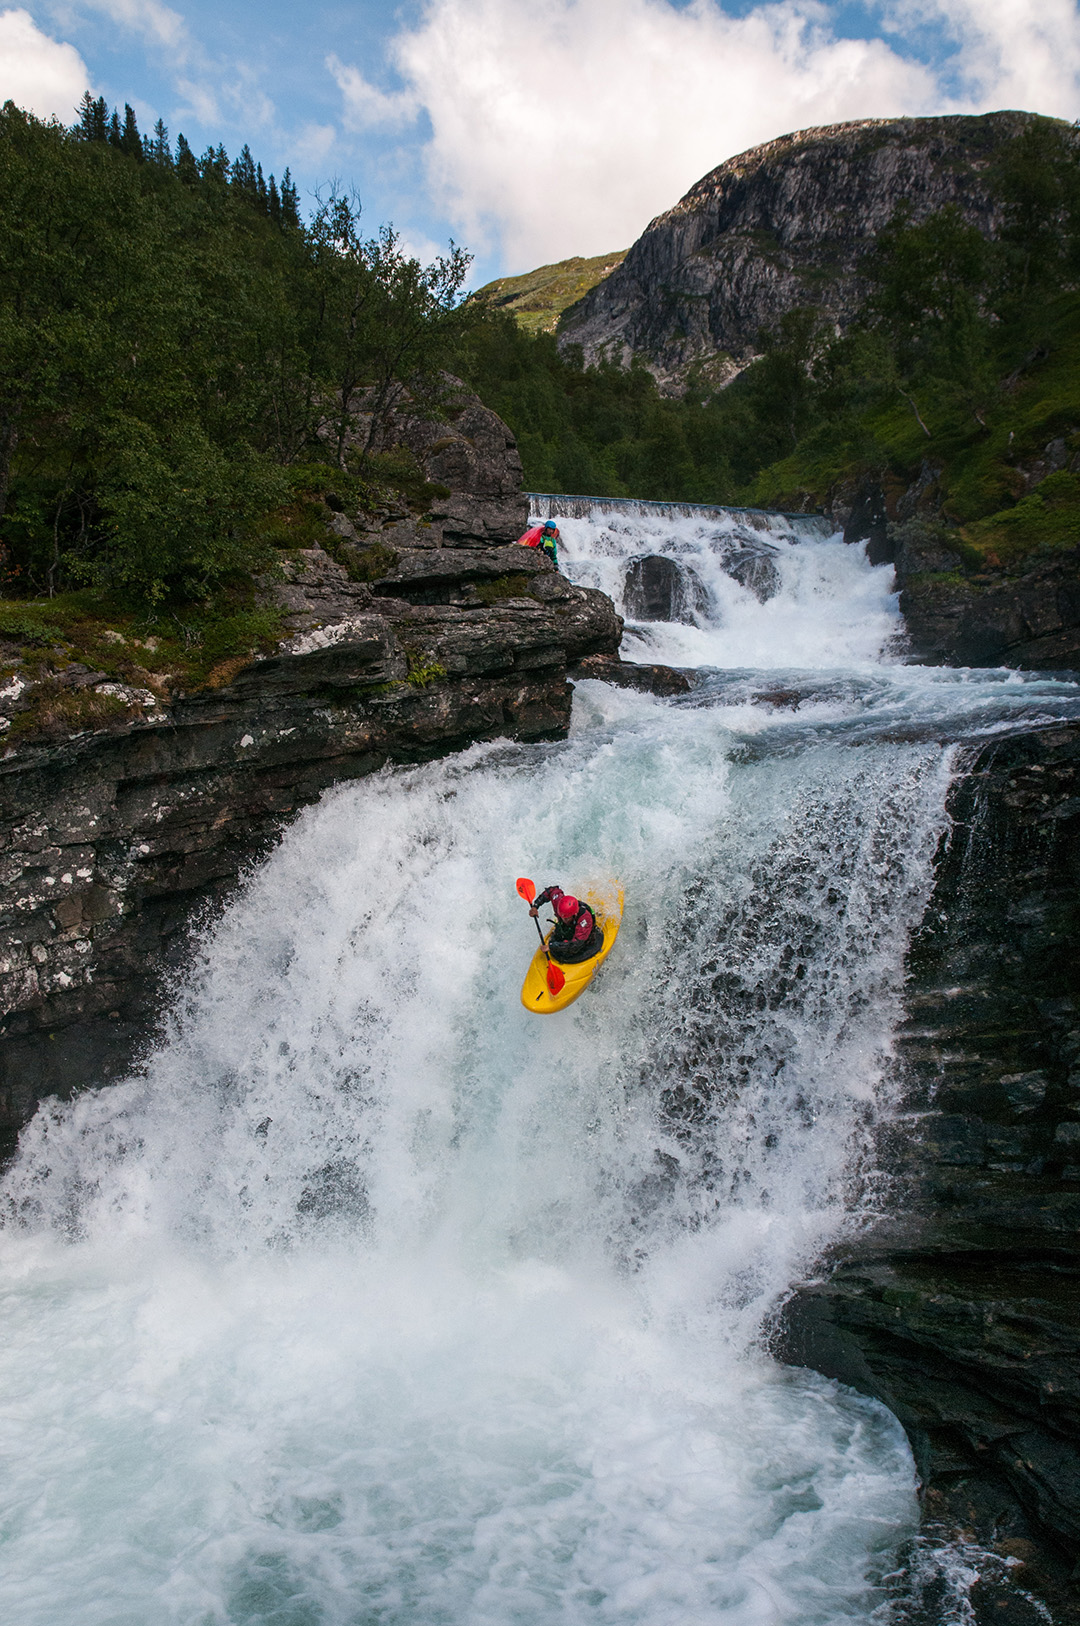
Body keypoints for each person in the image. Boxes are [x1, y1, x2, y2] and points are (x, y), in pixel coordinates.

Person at [530, 884, 603, 964]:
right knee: (562, 928)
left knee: (577, 947)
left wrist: (552, 946)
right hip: (571, 927)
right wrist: (535, 906)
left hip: (585, 940)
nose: (563, 920)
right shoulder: (559, 903)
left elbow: (577, 943)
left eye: (566, 918)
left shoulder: (584, 919)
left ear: (574, 915)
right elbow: (551, 890)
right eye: (561, 917)